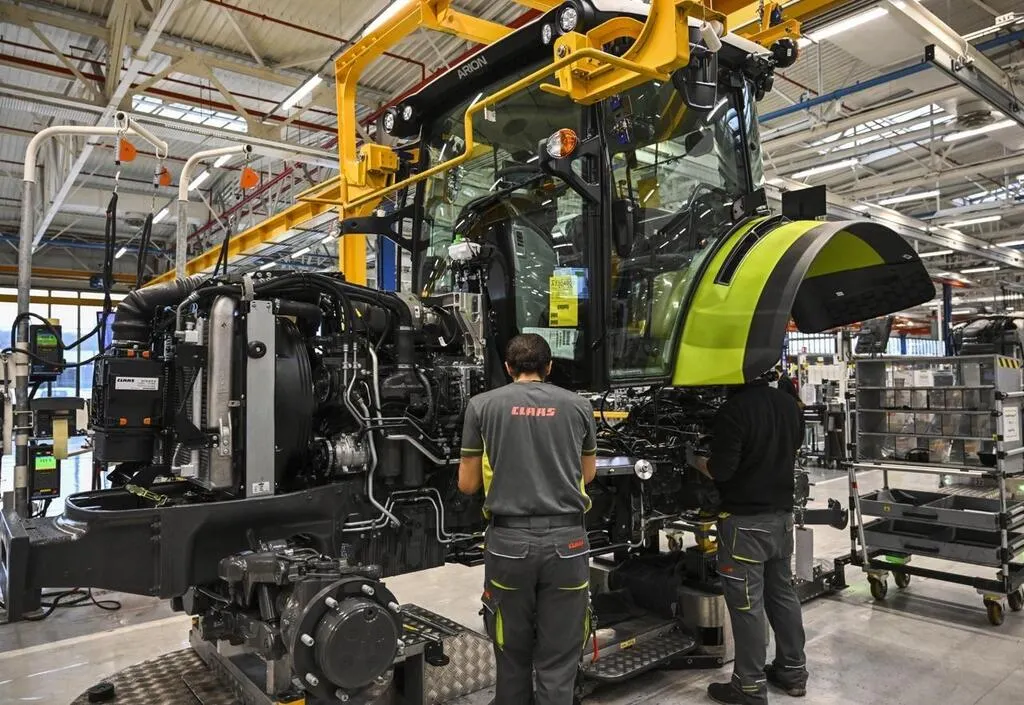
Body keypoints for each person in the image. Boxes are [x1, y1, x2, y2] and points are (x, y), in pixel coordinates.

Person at [458, 333, 598, 705]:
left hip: (508, 544)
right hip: (568, 543)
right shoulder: (579, 406)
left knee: (510, 647)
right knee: (560, 654)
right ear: (549, 367)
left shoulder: (481, 406)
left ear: (508, 368)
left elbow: (467, 484)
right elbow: (588, 475)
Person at [688, 371, 808, 705]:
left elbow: (722, 470)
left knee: (746, 606)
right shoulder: (788, 404)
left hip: (745, 525)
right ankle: (793, 671)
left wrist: (694, 460)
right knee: (783, 596)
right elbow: (793, 445)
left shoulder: (734, 410)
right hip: (782, 519)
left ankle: (749, 687)